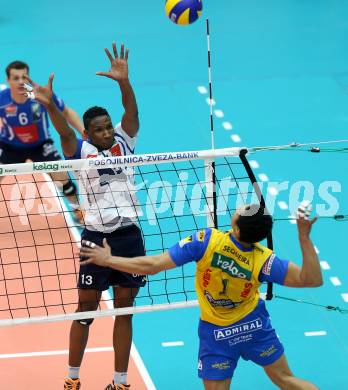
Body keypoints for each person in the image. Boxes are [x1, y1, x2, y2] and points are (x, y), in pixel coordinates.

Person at [80, 203, 323, 390]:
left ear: (236, 226)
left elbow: (153, 265)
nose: (241, 207)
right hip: (254, 326)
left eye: (244, 209)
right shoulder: (264, 260)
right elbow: (311, 280)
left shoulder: (206, 241)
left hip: (217, 334)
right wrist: (304, 235)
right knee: (286, 380)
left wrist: (108, 260)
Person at [23, 42, 146, 390]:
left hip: (129, 236)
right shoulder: (80, 151)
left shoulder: (126, 140)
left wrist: (124, 81)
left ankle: (120, 382)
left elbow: (132, 112)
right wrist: (49, 105)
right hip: (96, 237)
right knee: (86, 310)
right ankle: (72, 378)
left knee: (125, 308)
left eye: (109, 127)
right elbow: (63, 131)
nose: (107, 132)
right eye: (101, 129)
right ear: (88, 133)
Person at [0, 60, 85, 223]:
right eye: (15, 78)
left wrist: (83, 131)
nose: (20, 82)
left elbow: (66, 111)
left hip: (40, 145)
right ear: (8, 80)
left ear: (28, 78)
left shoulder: (40, 95)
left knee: (64, 181)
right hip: (9, 146)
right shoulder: (2, 100)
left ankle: (78, 210)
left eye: (23, 77)